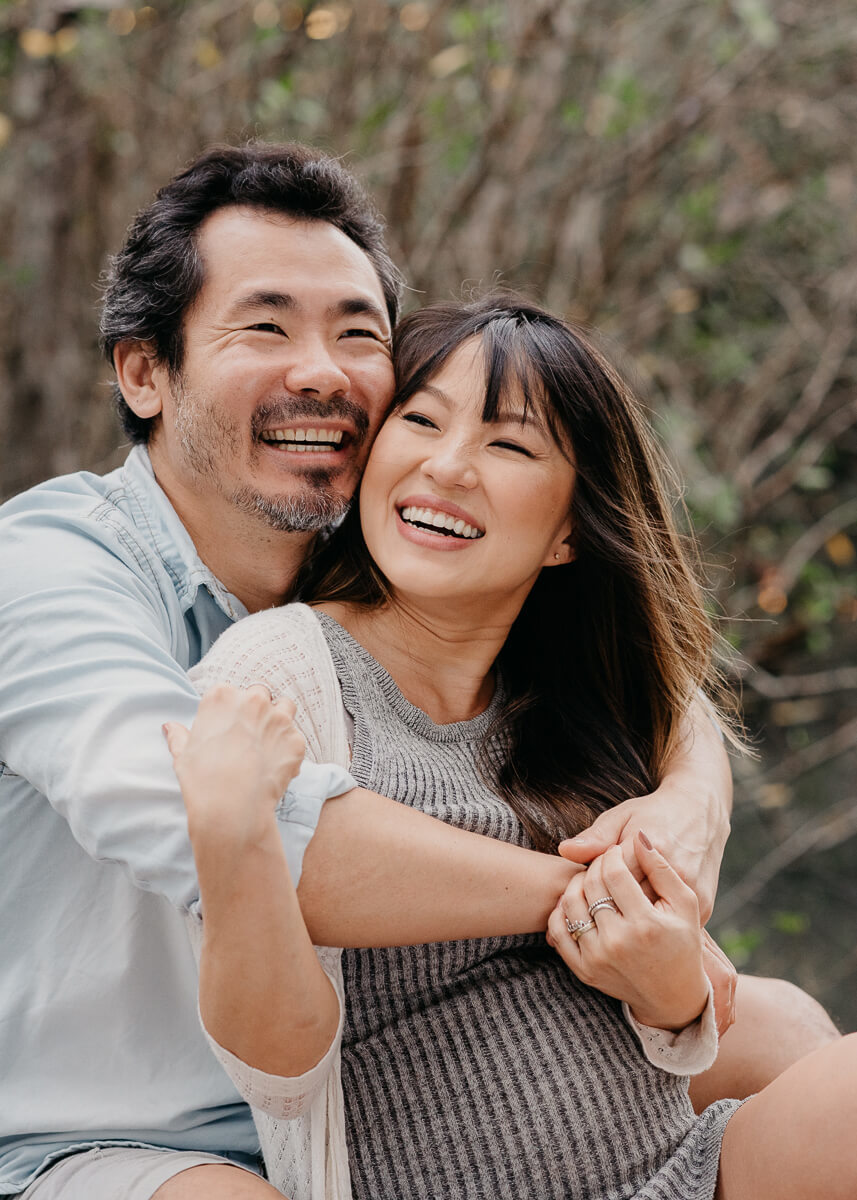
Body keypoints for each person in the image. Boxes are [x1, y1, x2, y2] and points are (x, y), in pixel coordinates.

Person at [0, 143, 832, 1200]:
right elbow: (238, 825)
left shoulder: (384, 535)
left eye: (357, 333)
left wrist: (686, 802)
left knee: (782, 1025)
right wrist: (604, 899)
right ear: (144, 371)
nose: (322, 369)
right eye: (265, 326)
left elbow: (613, 656)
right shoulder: (47, 570)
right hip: (122, 1130)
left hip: (381, 1082)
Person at [169, 294, 857, 1200]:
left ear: (570, 529)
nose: (447, 466)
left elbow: (674, 1000)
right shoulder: (281, 674)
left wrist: (671, 987)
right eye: (419, 420)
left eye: (508, 445)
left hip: (681, 1168)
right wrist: (235, 840)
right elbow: (276, 1067)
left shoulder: (572, 690)